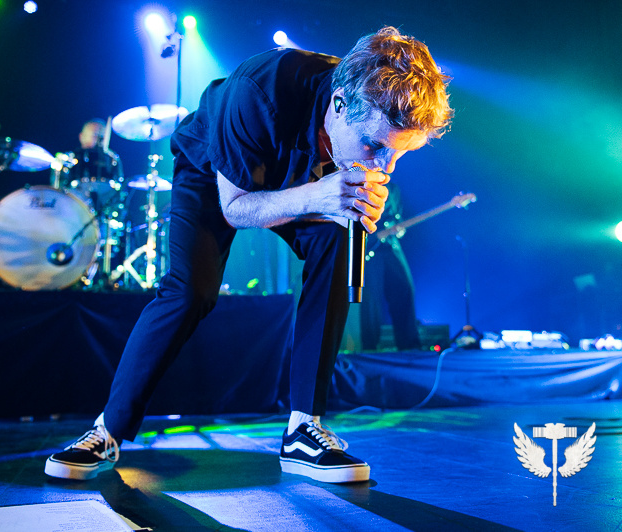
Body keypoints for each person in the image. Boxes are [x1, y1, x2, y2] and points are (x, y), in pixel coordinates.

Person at [44, 26, 452, 484]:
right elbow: (236, 208)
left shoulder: (364, 110)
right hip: (214, 177)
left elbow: (343, 180)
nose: (382, 165)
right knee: (189, 293)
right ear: (339, 105)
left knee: (336, 237)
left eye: (397, 155)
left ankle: (304, 428)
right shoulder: (259, 92)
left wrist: (341, 200)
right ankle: (107, 430)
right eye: (375, 147)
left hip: (304, 178)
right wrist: (317, 196)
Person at [360, 182, 423, 351]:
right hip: (369, 247)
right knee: (370, 299)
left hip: (391, 246)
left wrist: (399, 229)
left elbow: (397, 217)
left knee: (404, 289)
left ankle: (410, 346)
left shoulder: (393, 187)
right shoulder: (364, 183)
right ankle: (370, 347)